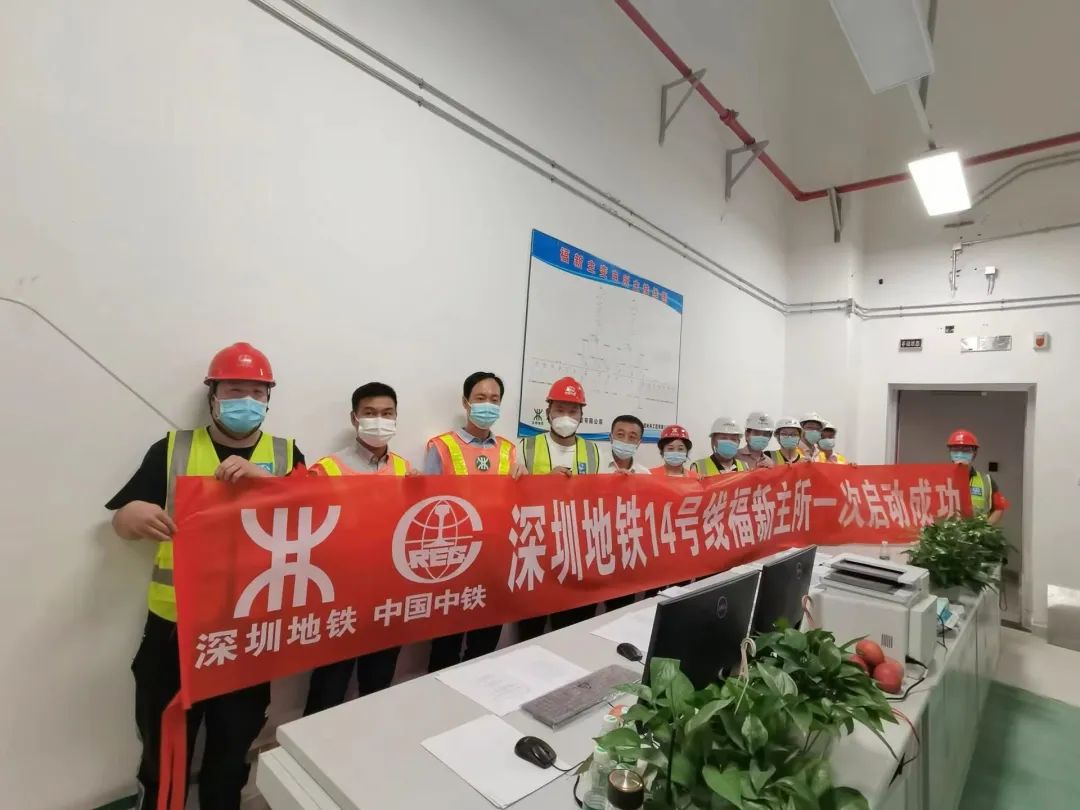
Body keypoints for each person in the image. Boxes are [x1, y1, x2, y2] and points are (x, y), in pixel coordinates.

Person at [106, 343, 304, 810]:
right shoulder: (172, 449)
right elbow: (123, 521)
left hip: (249, 632)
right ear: (213, 395)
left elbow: (317, 520)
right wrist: (130, 517)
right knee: (163, 749)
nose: (247, 401)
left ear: (269, 399)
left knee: (233, 746)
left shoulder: (286, 453)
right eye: (235, 390)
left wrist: (269, 482)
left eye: (258, 392)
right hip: (175, 631)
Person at [303, 382, 414, 716]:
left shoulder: (406, 470)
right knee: (329, 687)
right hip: (340, 599)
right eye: (370, 413)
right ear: (354, 418)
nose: (379, 420)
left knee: (378, 683)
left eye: (387, 413)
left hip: (389, 598)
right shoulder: (326, 469)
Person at [424, 371, 523, 671]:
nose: (487, 404)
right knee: (446, 647)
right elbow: (427, 507)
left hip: (494, 561)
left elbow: (515, 504)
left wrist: (526, 481)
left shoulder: (508, 450)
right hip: (453, 562)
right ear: (466, 402)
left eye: (494, 399)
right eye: (481, 398)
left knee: (484, 646)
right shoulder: (441, 446)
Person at [518, 376, 602, 638]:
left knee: (572, 633)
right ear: (548, 413)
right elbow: (514, 496)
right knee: (531, 634)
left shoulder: (595, 451)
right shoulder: (526, 447)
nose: (566, 416)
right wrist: (546, 482)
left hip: (577, 556)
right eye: (560, 409)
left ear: (581, 415)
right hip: (537, 553)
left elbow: (604, 499)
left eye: (573, 411)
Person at [947, 429, 1005, 525]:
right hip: (946, 533)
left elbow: (999, 507)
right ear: (950, 452)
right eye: (956, 449)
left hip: (976, 534)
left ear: (974, 453)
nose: (960, 453)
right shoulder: (939, 479)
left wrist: (985, 527)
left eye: (966, 450)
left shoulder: (987, 480)